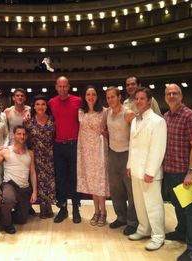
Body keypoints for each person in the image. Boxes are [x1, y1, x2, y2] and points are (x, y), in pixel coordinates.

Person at [163, 84, 192, 261]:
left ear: (181, 96)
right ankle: (181, 232)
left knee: (191, 211)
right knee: (177, 206)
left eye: (175, 93)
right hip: (170, 171)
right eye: (169, 93)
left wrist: (190, 172)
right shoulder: (165, 117)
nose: (172, 96)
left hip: (184, 172)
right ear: (165, 97)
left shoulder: (189, 115)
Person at [126, 88, 167, 251]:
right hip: (136, 169)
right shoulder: (135, 120)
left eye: (142, 99)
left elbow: (158, 148)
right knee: (140, 204)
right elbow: (132, 145)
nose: (138, 101)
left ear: (149, 101)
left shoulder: (158, 121)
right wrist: (129, 165)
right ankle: (144, 229)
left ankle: (158, 235)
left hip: (150, 172)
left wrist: (150, 171)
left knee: (153, 204)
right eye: (136, 99)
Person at [0, 125, 37, 234]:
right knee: (9, 199)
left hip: (24, 188)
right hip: (10, 184)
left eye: (24, 134)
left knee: (22, 220)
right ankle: (7, 224)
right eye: (19, 134)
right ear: (13, 135)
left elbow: (33, 173)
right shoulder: (6, 151)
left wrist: (34, 192)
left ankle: (1, 214)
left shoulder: (30, 153)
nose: (22, 136)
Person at [48, 76, 82, 224]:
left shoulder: (78, 101)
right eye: (59, 86)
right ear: (56, 87)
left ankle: (76, 208)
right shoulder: (51, 102)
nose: (62, 89)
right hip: (58, 146)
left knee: (74, 178)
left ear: (69, 87)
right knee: (60, 179)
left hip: (74, 145)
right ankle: (63, 209)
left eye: (65, 86)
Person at [105, 86, 138, 235]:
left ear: (119, 97)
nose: (110, 99)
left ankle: (133, 222)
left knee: (131, 191)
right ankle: (121, 217)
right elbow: (105, 131)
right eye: (108, 97)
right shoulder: (107, 113)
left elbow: (139, 134)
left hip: (127, 154)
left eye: (113, 96)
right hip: (112, 154)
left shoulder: (128, 113)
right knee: (116, 190)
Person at [76, 85, 109, 226]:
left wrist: (106, 135)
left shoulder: (104, 111)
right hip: (86, 150)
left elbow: (109, 128)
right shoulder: (81, 112)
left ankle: (103, 212)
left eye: (93, 94)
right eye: (88, 94)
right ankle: (96, 211)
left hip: (99, 149)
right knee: (91, 182)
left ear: (97, 96)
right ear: (85, 96)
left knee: (99, 181)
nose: (91, 97)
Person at [24, 94, 56, 219]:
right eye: (37, 104)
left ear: (46, 106)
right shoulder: (28, 121)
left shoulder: (52, 119)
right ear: (34, 106)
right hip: (35, 155)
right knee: (39, 182)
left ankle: (49, 206)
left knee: (50, 182)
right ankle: (43, 207)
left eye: (43, 104)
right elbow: (25, 139)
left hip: (51, 154)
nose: (40, 106)